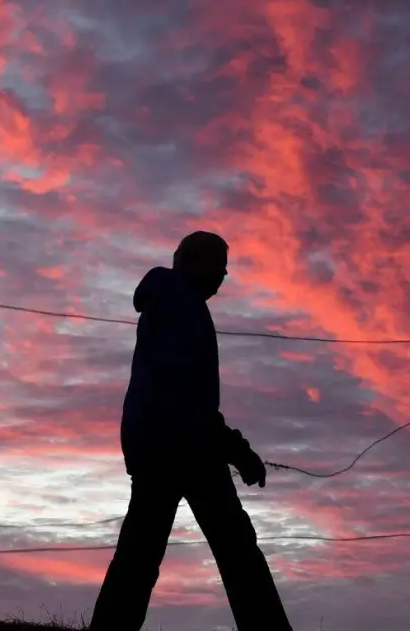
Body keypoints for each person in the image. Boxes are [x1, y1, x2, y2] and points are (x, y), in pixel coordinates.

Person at [88, 231, 294, 631]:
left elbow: (179, 393)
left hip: (156, 443)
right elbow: (185, 396)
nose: (224, 274)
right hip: (184, 446)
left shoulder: (167, 303)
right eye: (217, 263)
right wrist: (236, 450)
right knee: (237, 552)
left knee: (139, 556)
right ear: (192, 262)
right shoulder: (183, 307)